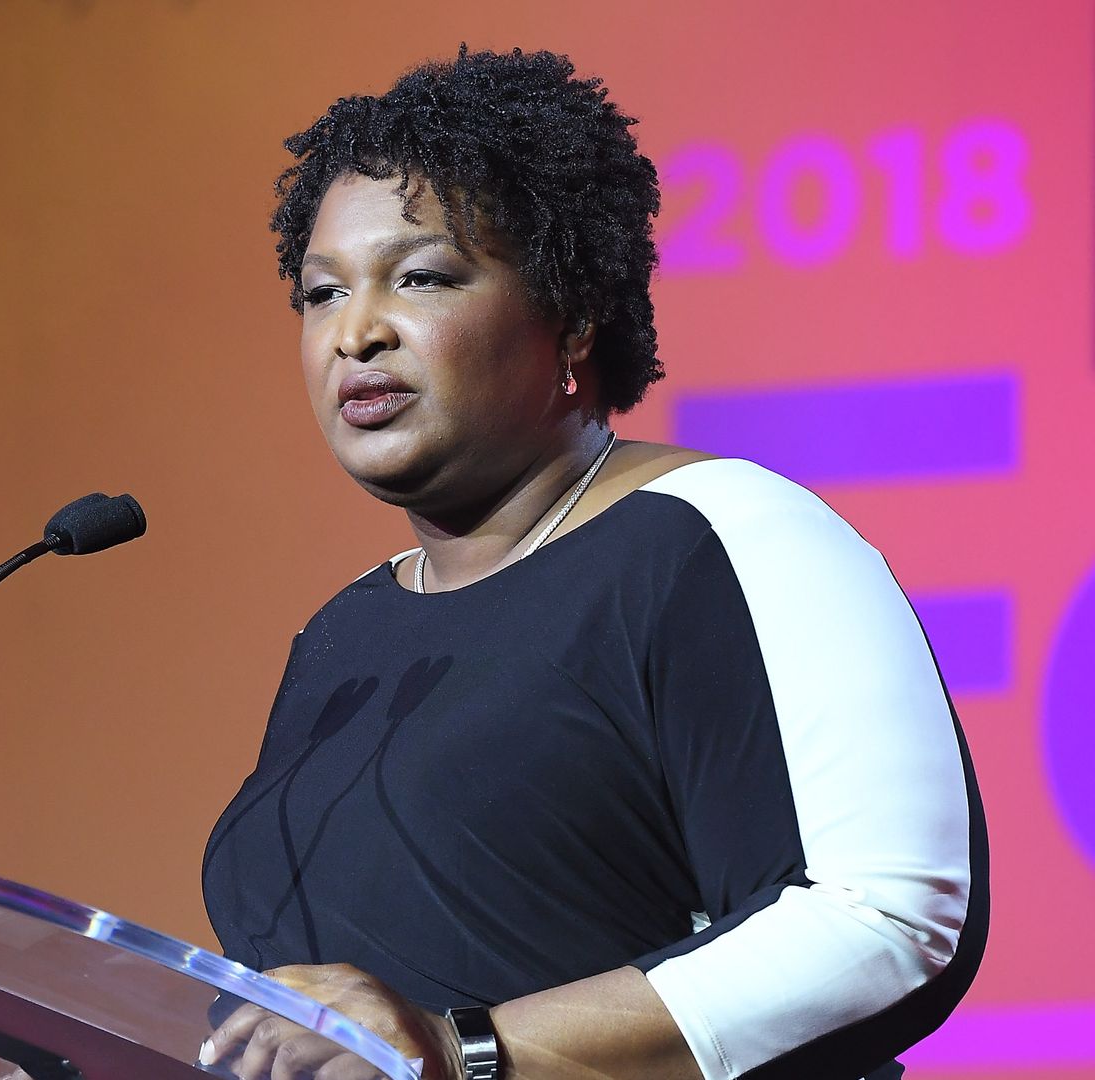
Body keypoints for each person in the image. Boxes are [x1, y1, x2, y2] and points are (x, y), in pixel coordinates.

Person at [198, 48, 986, 1080]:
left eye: (422, 277)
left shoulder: (717, 537)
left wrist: (467, 1049)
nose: (357, 332)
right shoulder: (344, 639)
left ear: (570, 315)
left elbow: (887, 920)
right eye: (321, 293)